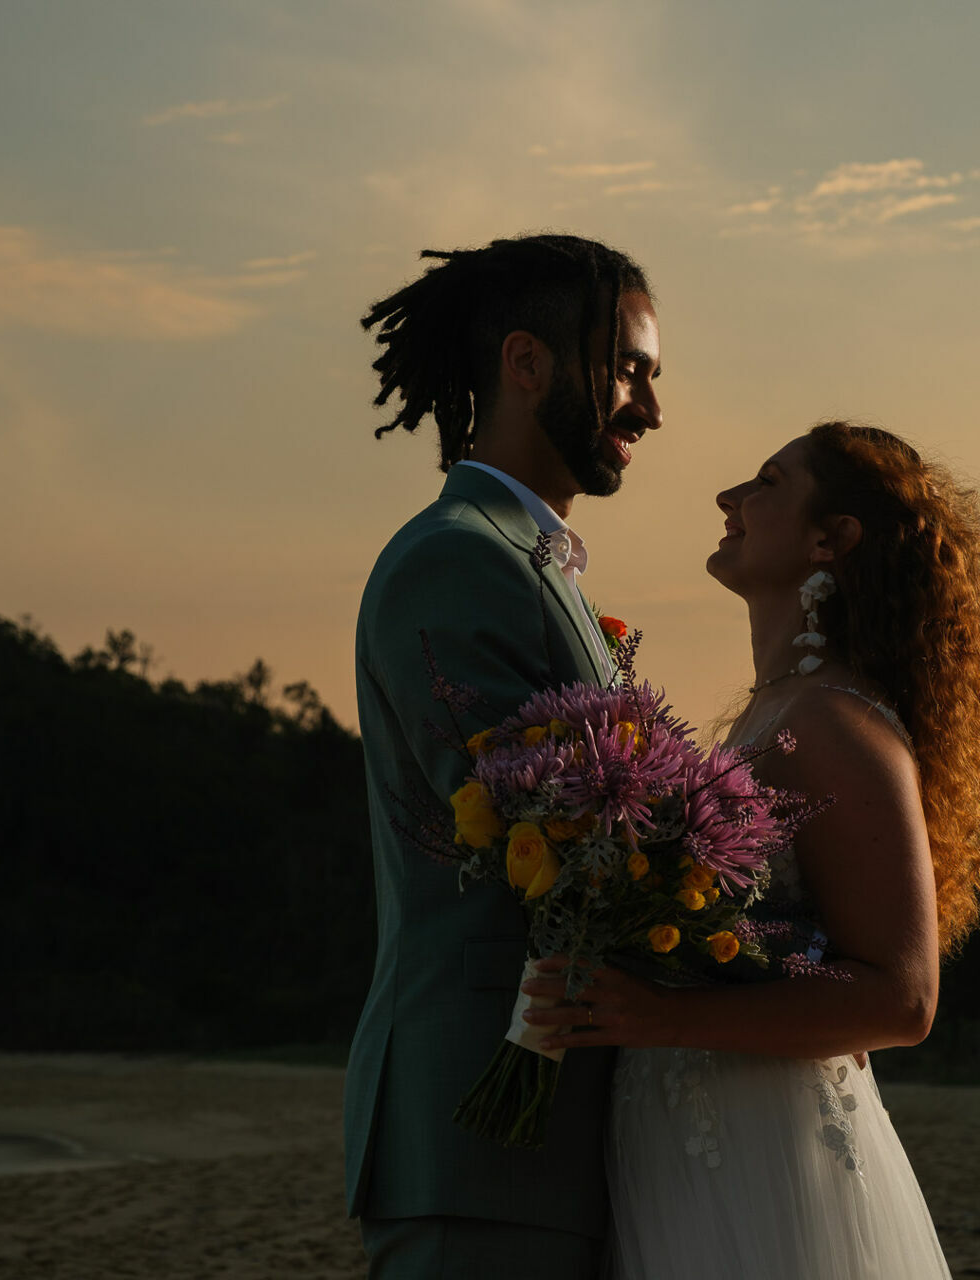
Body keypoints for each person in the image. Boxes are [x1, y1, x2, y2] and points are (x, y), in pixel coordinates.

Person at [517, 422, 980, 1278]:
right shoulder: (776, 715)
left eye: (766, 483)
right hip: (685, 1136)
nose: (730, 499)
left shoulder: (835, 725)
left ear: (832, 539)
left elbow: (903, 999)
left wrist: (664, 1015)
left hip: (766, 1156)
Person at [346, 232, 664, 1278]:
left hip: (543, 1145)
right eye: (626, 369)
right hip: (483, 1131)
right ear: (525, 363)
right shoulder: (459, 559)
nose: (648, 408)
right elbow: (545, 840)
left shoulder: (536, 566)